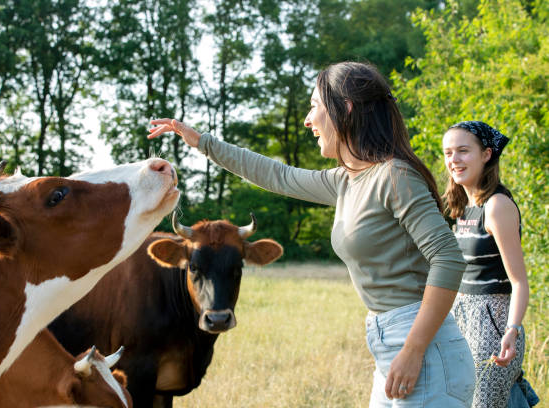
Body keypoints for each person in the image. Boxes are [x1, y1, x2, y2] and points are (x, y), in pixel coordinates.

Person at [148, 61, 475, 407]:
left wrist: (413, 349)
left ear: (345, 109)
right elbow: (277, 175)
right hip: (391, 341)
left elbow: (448, 258)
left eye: (315, 106)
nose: (307, 120)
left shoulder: (395, 176)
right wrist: (202, 142)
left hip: (422, 348)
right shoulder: (347, 180)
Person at [442, 121, 535, 408]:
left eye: (462, 151)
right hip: (462, 319)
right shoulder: (463, 208)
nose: (454, 160)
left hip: (493, 325)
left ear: (486, 154)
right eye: (448, 153)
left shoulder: (496, 206)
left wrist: (512, 330)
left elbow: (519, 282)